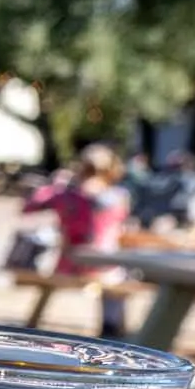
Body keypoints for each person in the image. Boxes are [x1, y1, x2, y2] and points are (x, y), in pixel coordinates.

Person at [22, 143, 134, 337]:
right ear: (110, 169)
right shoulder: (119, 196)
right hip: (105, 267)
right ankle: (111, 327)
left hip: (69, 264)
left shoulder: (65, 195)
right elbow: (122, 225)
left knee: (115, 277)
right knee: (121, 278)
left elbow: (29, 207)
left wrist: (55, 185)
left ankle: (110, 327)